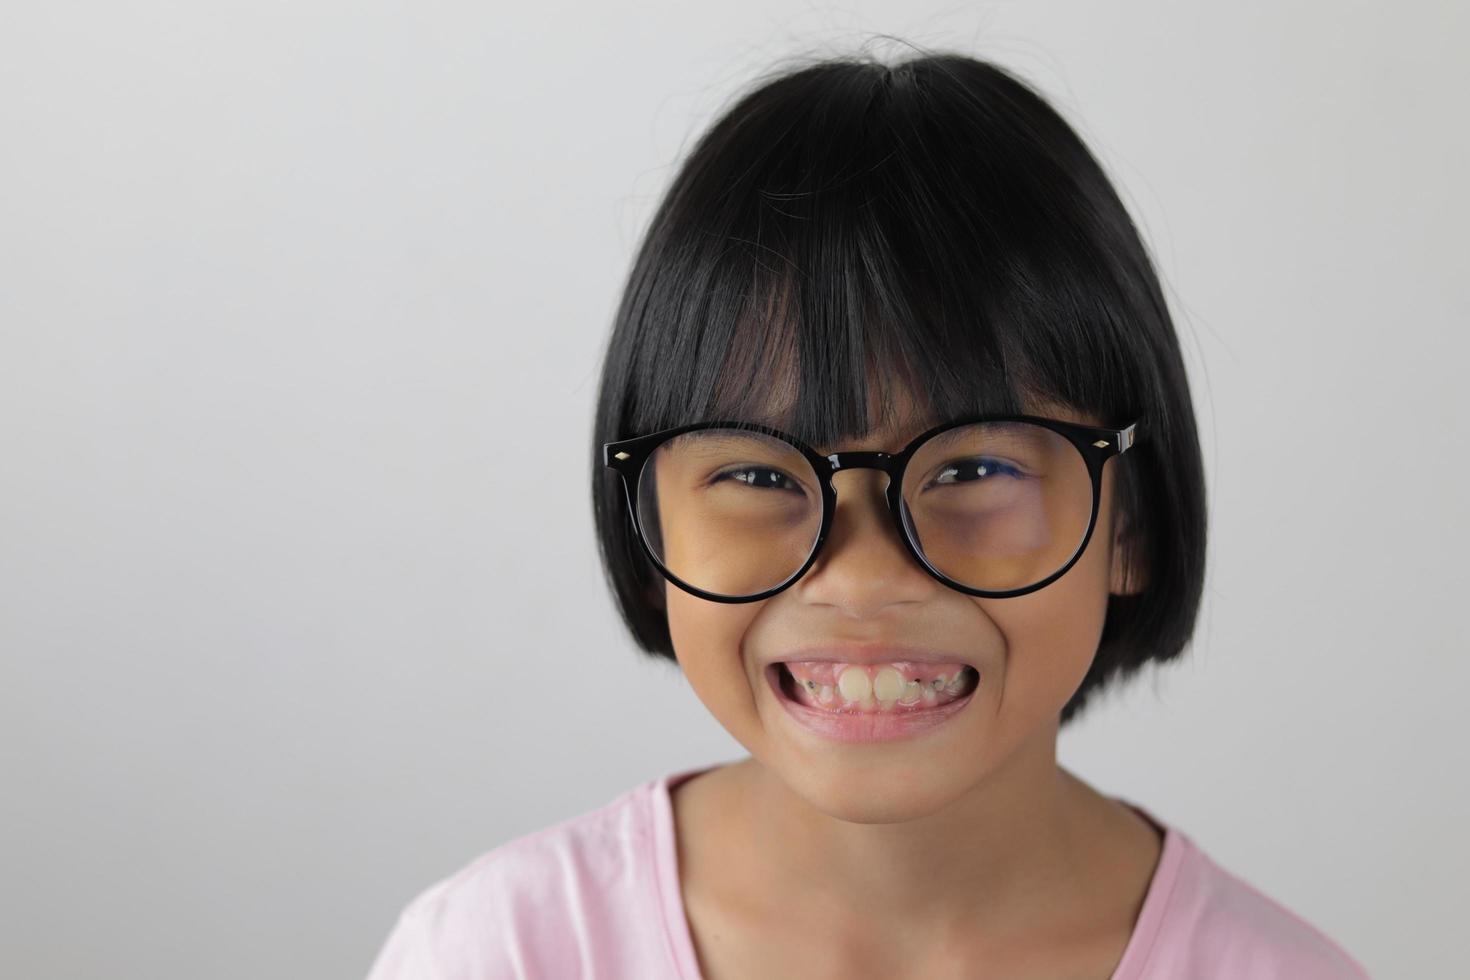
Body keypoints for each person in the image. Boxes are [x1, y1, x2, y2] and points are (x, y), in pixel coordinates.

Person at [365, 45, 1372, 979]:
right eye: (758, 477)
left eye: (974, 466)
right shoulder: (501, 949)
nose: (861, 575)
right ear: (647, 523)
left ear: (1132, 522)